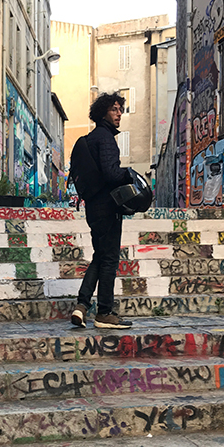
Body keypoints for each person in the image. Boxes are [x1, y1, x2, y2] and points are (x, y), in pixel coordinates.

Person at [71, 91, 133, 330]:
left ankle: (82, 305)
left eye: (120, 110)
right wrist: (129, 174)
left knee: (100, 256)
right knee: (109, 259)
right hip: (107, 207)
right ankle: (105, 312)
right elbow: (111, 173)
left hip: (93, 206)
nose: (119, 114)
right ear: (103, 112)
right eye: (115, 109)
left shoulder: (92, 138)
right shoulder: (105, 138)